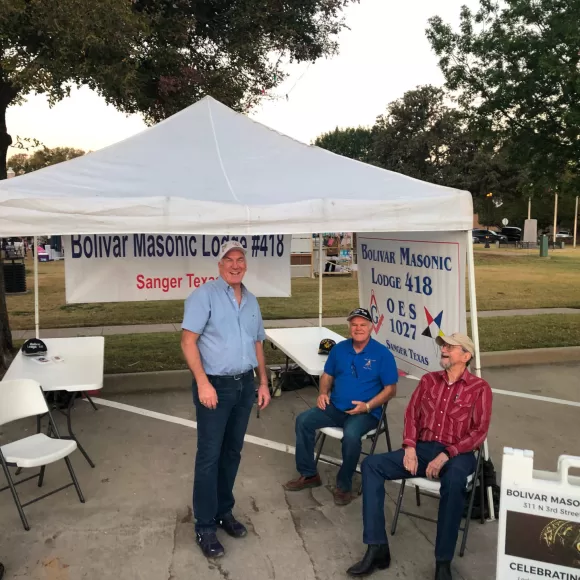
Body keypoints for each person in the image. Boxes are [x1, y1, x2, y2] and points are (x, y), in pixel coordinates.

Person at [346, 333, 492, 580]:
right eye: (443, 346)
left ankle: (443, 563)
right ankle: (377, 547)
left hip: (458, 454)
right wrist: (410, 447)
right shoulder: (428, 381)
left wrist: (448, 454)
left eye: (450, 347)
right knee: (371, 465)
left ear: (466, 356)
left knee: (455, 482)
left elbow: (479, 431)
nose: (443, 350)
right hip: (423, 449)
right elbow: (412, 415)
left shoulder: (480, 389)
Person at [181, 240, 271, 559]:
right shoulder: (203, 296)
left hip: (245, 386)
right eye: (228, 260)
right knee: (209, 457)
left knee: (232, 452)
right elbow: (188, 341)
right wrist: (203, 383)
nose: (235, 265)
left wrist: (263, 382)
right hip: (215, 386)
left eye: (240, 260)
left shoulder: (252, 301)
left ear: (245, 265)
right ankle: (204, 526)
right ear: (219, 266)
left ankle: (223, 511)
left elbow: (258, 343)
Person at [284, 308, 398, 506]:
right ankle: (309, 474)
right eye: (354, 324)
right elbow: (328, 374)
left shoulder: (382, 354)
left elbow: (391, 390)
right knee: (303, 421)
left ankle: (344, 485)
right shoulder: (339, 349)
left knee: (352, 435)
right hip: (336, 407)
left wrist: (368, 406)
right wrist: (322, 393)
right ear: (349, 327)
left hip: (366, 413)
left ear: (371, 327)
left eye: (363, 324)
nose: (358, 328)